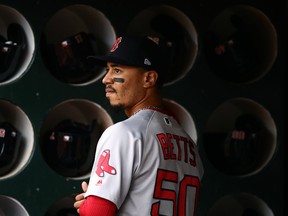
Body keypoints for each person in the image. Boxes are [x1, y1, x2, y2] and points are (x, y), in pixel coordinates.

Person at [73, 35, 204, 215]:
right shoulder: (189, 144)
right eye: (108, 70)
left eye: (117, 70)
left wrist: (89, 205)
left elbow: (96, 212)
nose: (106, 79)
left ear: (149, 79)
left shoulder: (124, 134)